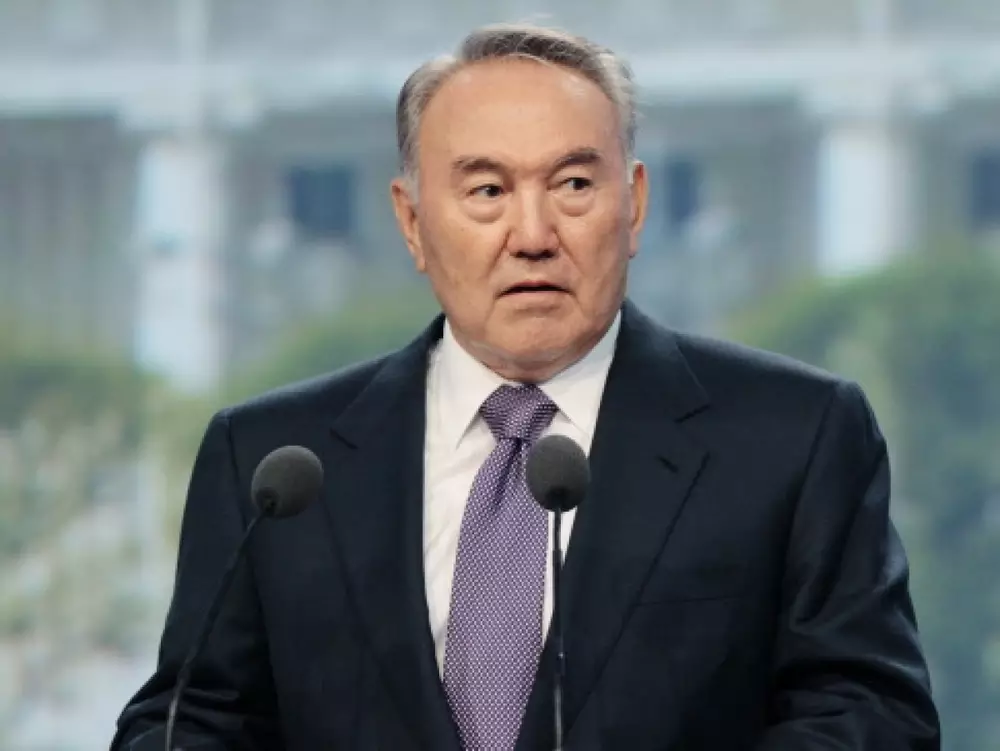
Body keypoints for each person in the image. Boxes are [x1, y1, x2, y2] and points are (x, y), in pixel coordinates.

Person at [112, 23, 941, 751]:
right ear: (412, 222)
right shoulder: (274, 463)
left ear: (634, 204)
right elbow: (193, 717)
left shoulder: (793, 437)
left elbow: (871, 714)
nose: (533, 235)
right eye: (487, 191)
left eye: (573, 185)